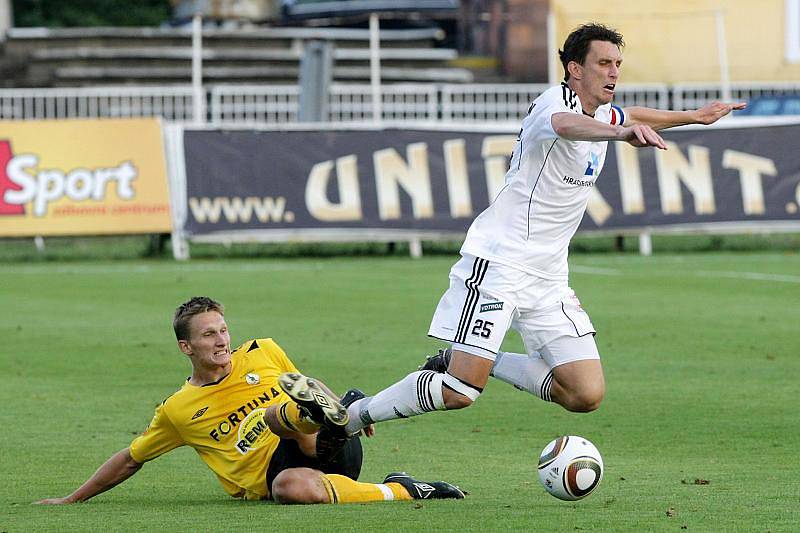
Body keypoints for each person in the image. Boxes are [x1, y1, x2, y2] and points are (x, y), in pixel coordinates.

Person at [283, 23, 746, 436]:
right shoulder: (556, 103)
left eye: (618, 64)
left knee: (584, 393)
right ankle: (355, 414)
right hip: (499, 261)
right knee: (460, 392)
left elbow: (633, 115)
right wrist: (622, 136)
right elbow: (568, 126)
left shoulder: (604, 113)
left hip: (548, 278)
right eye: (604, 63)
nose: (613, 72)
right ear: (574, 70)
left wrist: (694, 117)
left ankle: (473, 359)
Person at [35, 296, 464, 505]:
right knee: (291, 488)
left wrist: (341, 409)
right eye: (209, 335)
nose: (222, 340)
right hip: (280, 475)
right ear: (186, 347)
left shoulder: (261, 350)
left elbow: (304, 380)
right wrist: (73, 499)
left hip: (328, 448)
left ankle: (343, 415)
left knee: (281, 414)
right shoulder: (177, 410)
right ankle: (406, 489)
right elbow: (131, 458)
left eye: (223, 330)